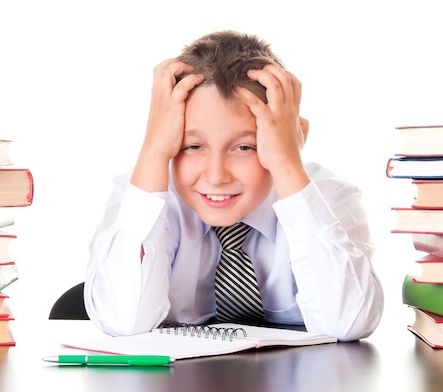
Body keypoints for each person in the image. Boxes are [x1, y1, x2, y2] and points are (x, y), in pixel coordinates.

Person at [84, 30, 383, 341]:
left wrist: (287, 163)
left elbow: (349, 323)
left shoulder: (328, 198)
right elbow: (122, 320)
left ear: (291, 139)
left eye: (245, 148)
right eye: (192, 147)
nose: (216, 176)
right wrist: (153, 151)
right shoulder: (143, 196)